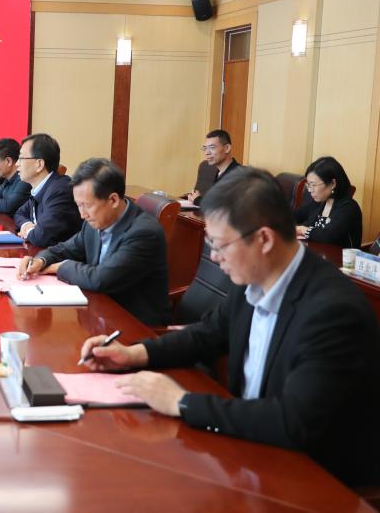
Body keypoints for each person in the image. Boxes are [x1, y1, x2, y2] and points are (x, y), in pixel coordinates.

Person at [79, 168, 380, 486]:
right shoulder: (254, 277)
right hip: (249, 449)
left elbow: (293, 421)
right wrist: (133, 354)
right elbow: (207, 334)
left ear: (264, 239)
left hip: (314, 478)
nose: (215, 257)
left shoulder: (332, 312)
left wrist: (181, 402)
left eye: (221, 245)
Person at [16, 158, 169, 326]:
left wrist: (60, 267)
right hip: (99, 313)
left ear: (113, 200)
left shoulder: (144, 233)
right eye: (78, 205)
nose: (82, 214)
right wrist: (40, 260)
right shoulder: (95, 222)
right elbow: (65, 249)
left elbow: (101, 278)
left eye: (86, 206)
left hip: (133, 326)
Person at [13, 133, 81, 247]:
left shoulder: (60, 190)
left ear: (39, 164)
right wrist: (27, 225)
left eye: (21, 158)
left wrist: (29, 232)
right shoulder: (42, 187)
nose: (16, 164)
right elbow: (19, 213)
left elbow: (41, 237)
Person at [294, 156, 362, 248]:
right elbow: (295, 215)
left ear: (333, 183)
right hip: (316, 253)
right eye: (308, 185)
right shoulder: (319, 202)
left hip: (339, 256)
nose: (310, 190)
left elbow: (328, 236)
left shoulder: (349, 207)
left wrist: (303, 230)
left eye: (313, 185)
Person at [184, 129, 241, 206]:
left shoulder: (239, 175)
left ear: (227, 148)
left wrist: (197, 200)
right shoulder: (219, 172)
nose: (207, 153)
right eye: (205, 148)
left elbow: (223, 206)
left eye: (212, 147)